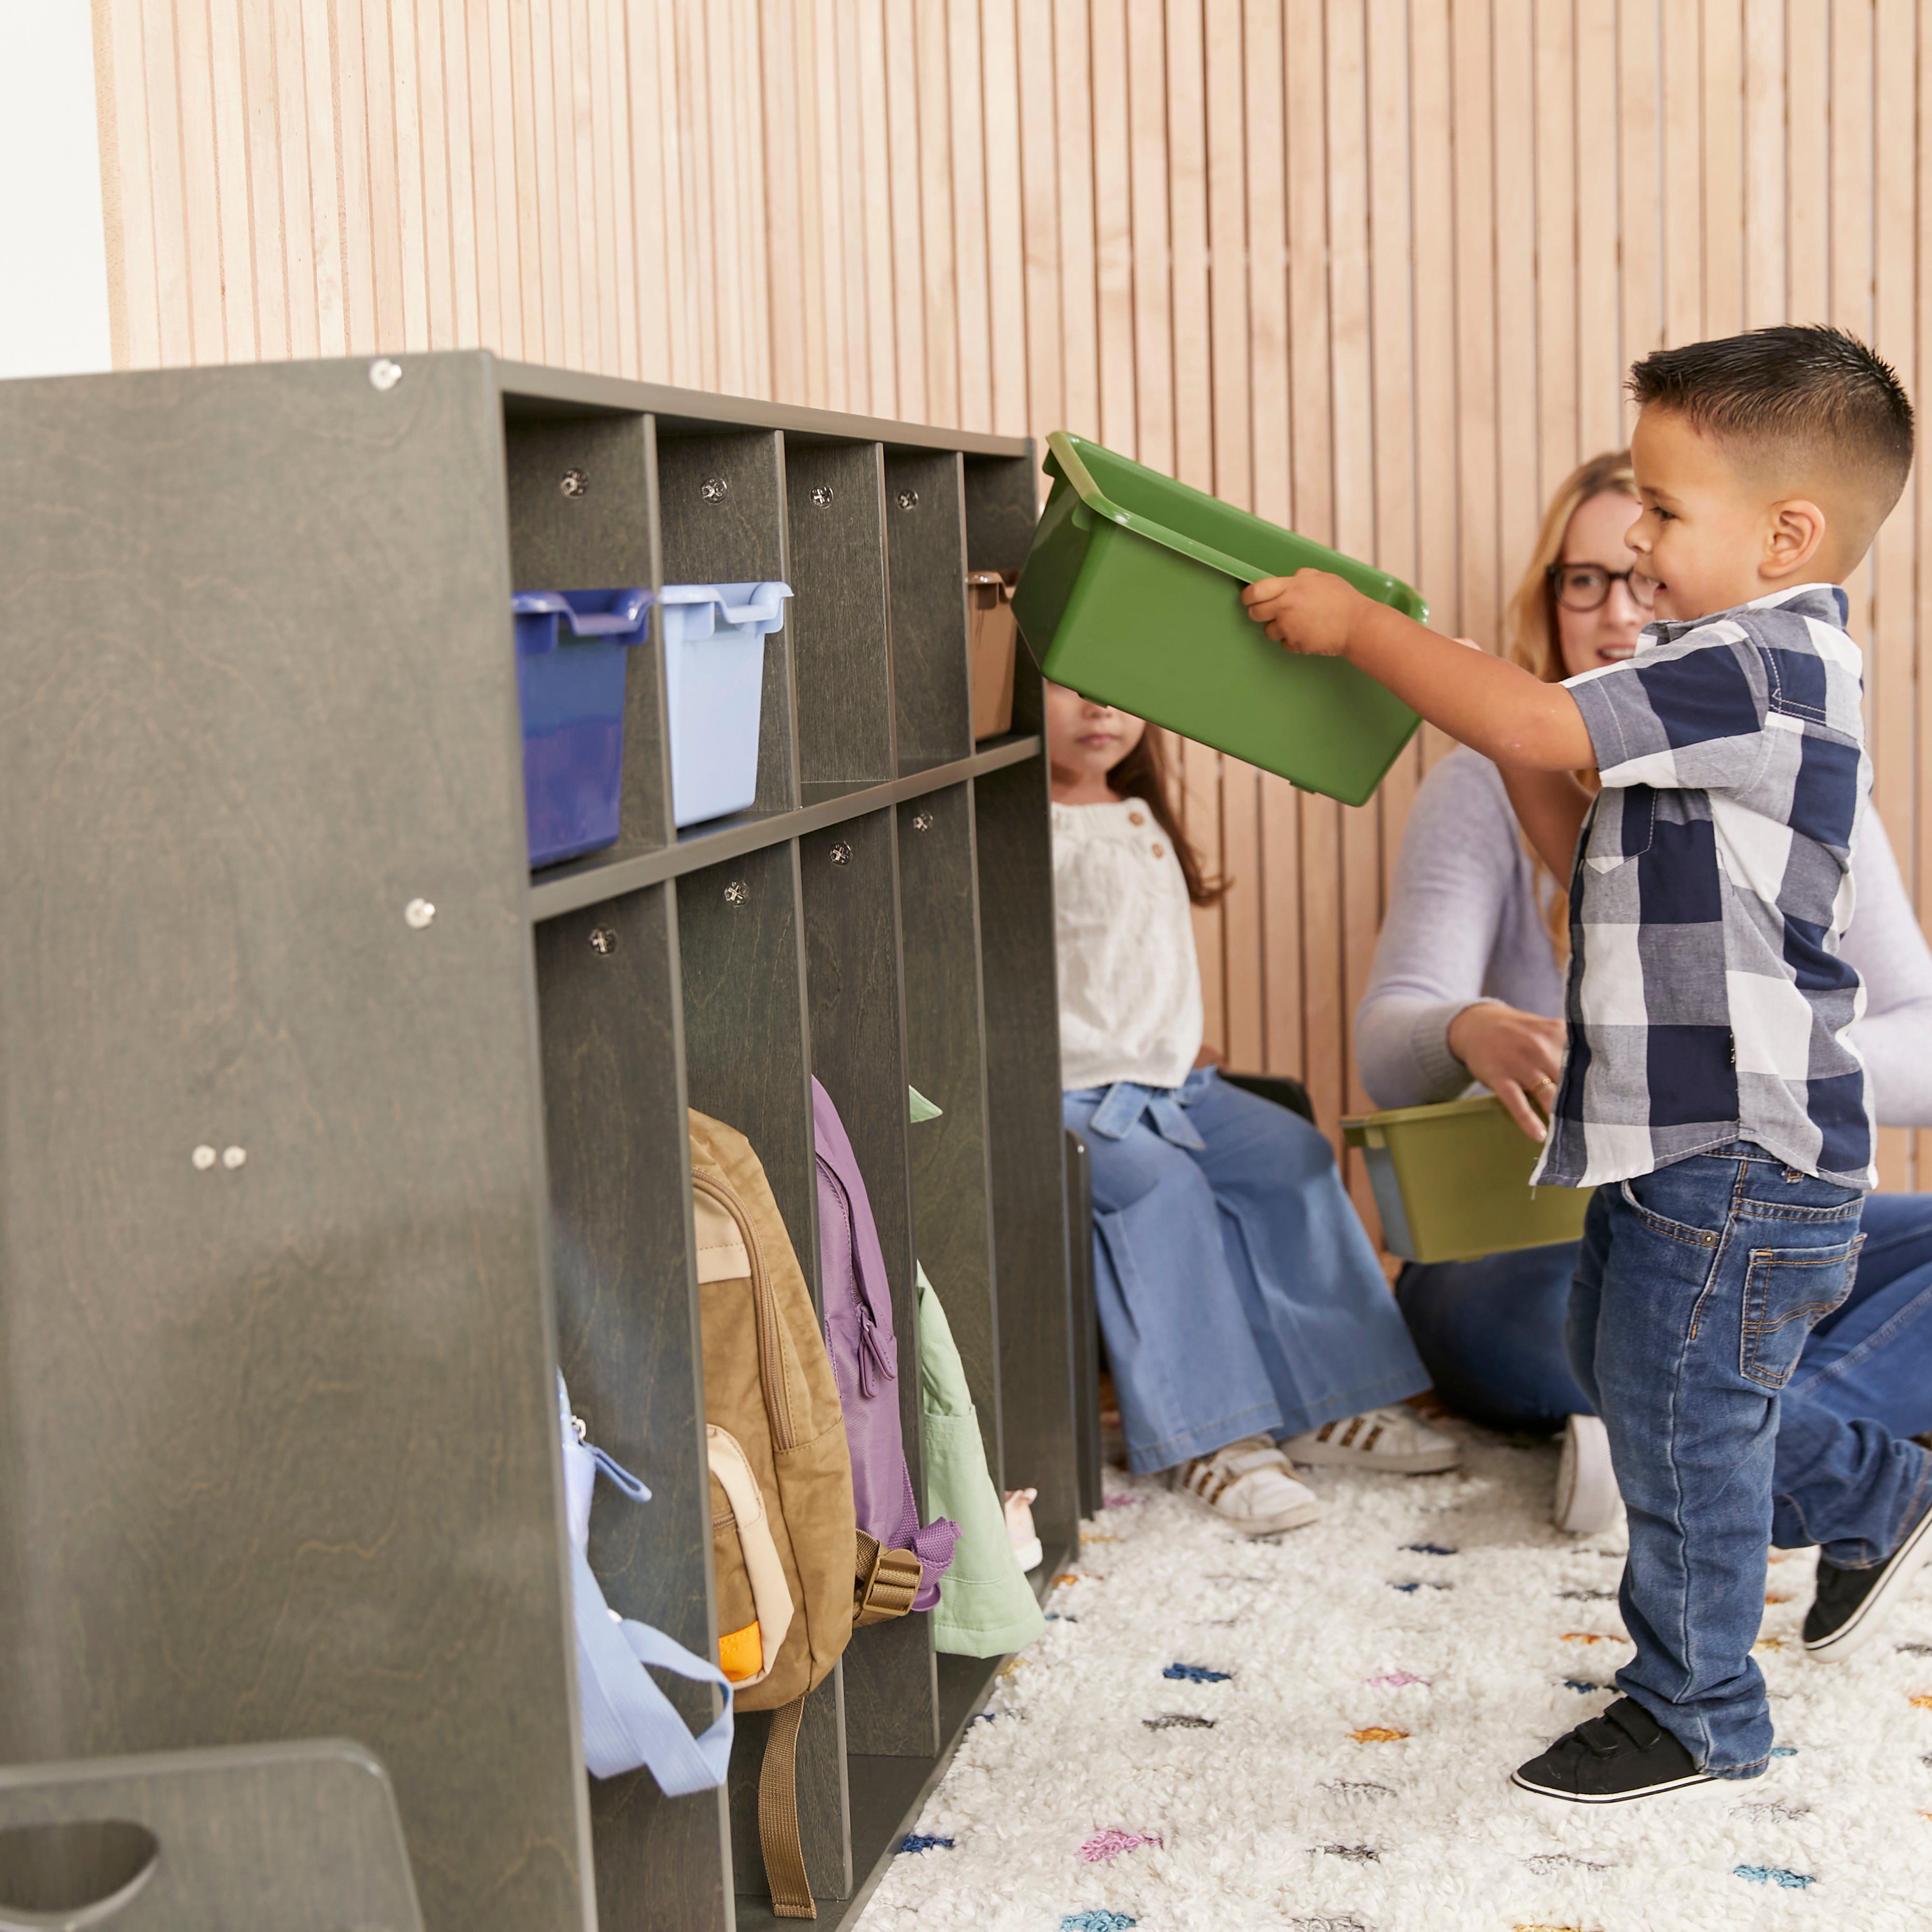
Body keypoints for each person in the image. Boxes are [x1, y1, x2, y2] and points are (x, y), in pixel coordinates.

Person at [1242, 323, 1929, 1807]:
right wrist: (1501, 747)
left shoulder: (1763, 667)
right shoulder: (1704, 678)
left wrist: (1366, 633)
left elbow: (1533, 713)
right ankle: (1873, 1483)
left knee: (1681, 1417)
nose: (1638, 555)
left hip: (1738, 1154)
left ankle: (1701, 1708)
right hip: (1666, 1146)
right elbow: (1573, 832)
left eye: (1664, 518)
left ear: (1786, 537)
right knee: (1640, 1379)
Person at [1357, 449, 1932, 1544]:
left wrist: (1745, 1050)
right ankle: (1721, 1439)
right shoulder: (1493, 772)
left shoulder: (1797, 762)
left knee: (1700, 1310)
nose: (1622, 606)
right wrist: (1466, 1028)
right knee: (1529, 1314)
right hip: (1541, 1232)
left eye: (1648, 566)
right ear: (1549, 600)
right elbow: (1386, 1047)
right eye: (1586, 580)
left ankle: (1689, 1448)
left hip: (1743, 1209)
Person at [1048, 682, 1460, 1538]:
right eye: (1066, 686)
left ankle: (1332, 1401)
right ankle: (1214, 1436)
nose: (1099, 708)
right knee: (1158, 1186)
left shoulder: (1137, 814)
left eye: (1116, 689)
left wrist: (1168, 1037)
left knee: (1288, 1153)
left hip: (1169, 1081)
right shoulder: (1020, 828)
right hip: (1071, 1095)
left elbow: (1129, 961)